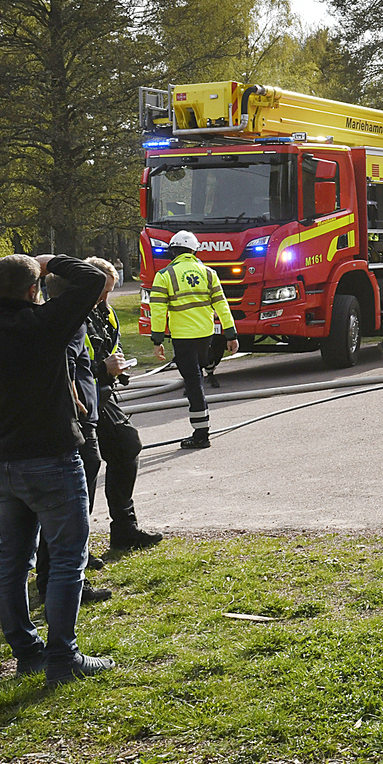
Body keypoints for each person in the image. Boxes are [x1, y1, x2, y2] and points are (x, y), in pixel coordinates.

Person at [0, 252, 116, 686]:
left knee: (13, 562)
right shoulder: (45, 325)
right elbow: (91, 280)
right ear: (33, 290)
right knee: (67, 560)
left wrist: (4, 437)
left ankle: (28, 653)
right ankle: (64, 658)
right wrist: (52, 261)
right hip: (54, 458)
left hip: (6, 461)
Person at [32, 266, 111, 607]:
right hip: (78, 421)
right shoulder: (70, 322)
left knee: (64, 508)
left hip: (79, 416)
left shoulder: (51, 320)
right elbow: (64, 360)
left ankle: (55, 574)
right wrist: (75, 398)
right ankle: (65, 581)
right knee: (71, 510)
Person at [84, 257, 162, 551]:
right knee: (87, 466)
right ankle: (77, 546)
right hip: (81, 400)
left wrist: (117, 367)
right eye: (102, 291)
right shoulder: (71, 316)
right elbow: (67, 366)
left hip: (102, 395)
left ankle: (125, 531)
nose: (106, 298)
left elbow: (108, 346)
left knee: (126, 446)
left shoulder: (104, 312)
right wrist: (102, 368)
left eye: (110, 291)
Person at [149, 230, 237, 450]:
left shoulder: (164, 275)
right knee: (196, 379)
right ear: (194, 250)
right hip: (205, 334)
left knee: (194, 384)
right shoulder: (209, 273)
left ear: (173, 251)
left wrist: (157, 340)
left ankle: (201, 434)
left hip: (183, 337)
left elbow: (158, 311)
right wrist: (231, 334)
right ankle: (201, 429)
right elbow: (222, 305)